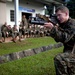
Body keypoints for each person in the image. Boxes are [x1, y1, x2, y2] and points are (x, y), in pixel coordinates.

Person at [44, 6, 75, 75]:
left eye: (59, 15)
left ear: (66, 14)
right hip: (69, 50)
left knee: (59, 59)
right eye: (56, 16)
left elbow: (65, 38)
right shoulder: (64, 24)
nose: (58, 17)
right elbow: (58, 39)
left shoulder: (72, 23)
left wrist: (53, 29)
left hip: (73, 51)